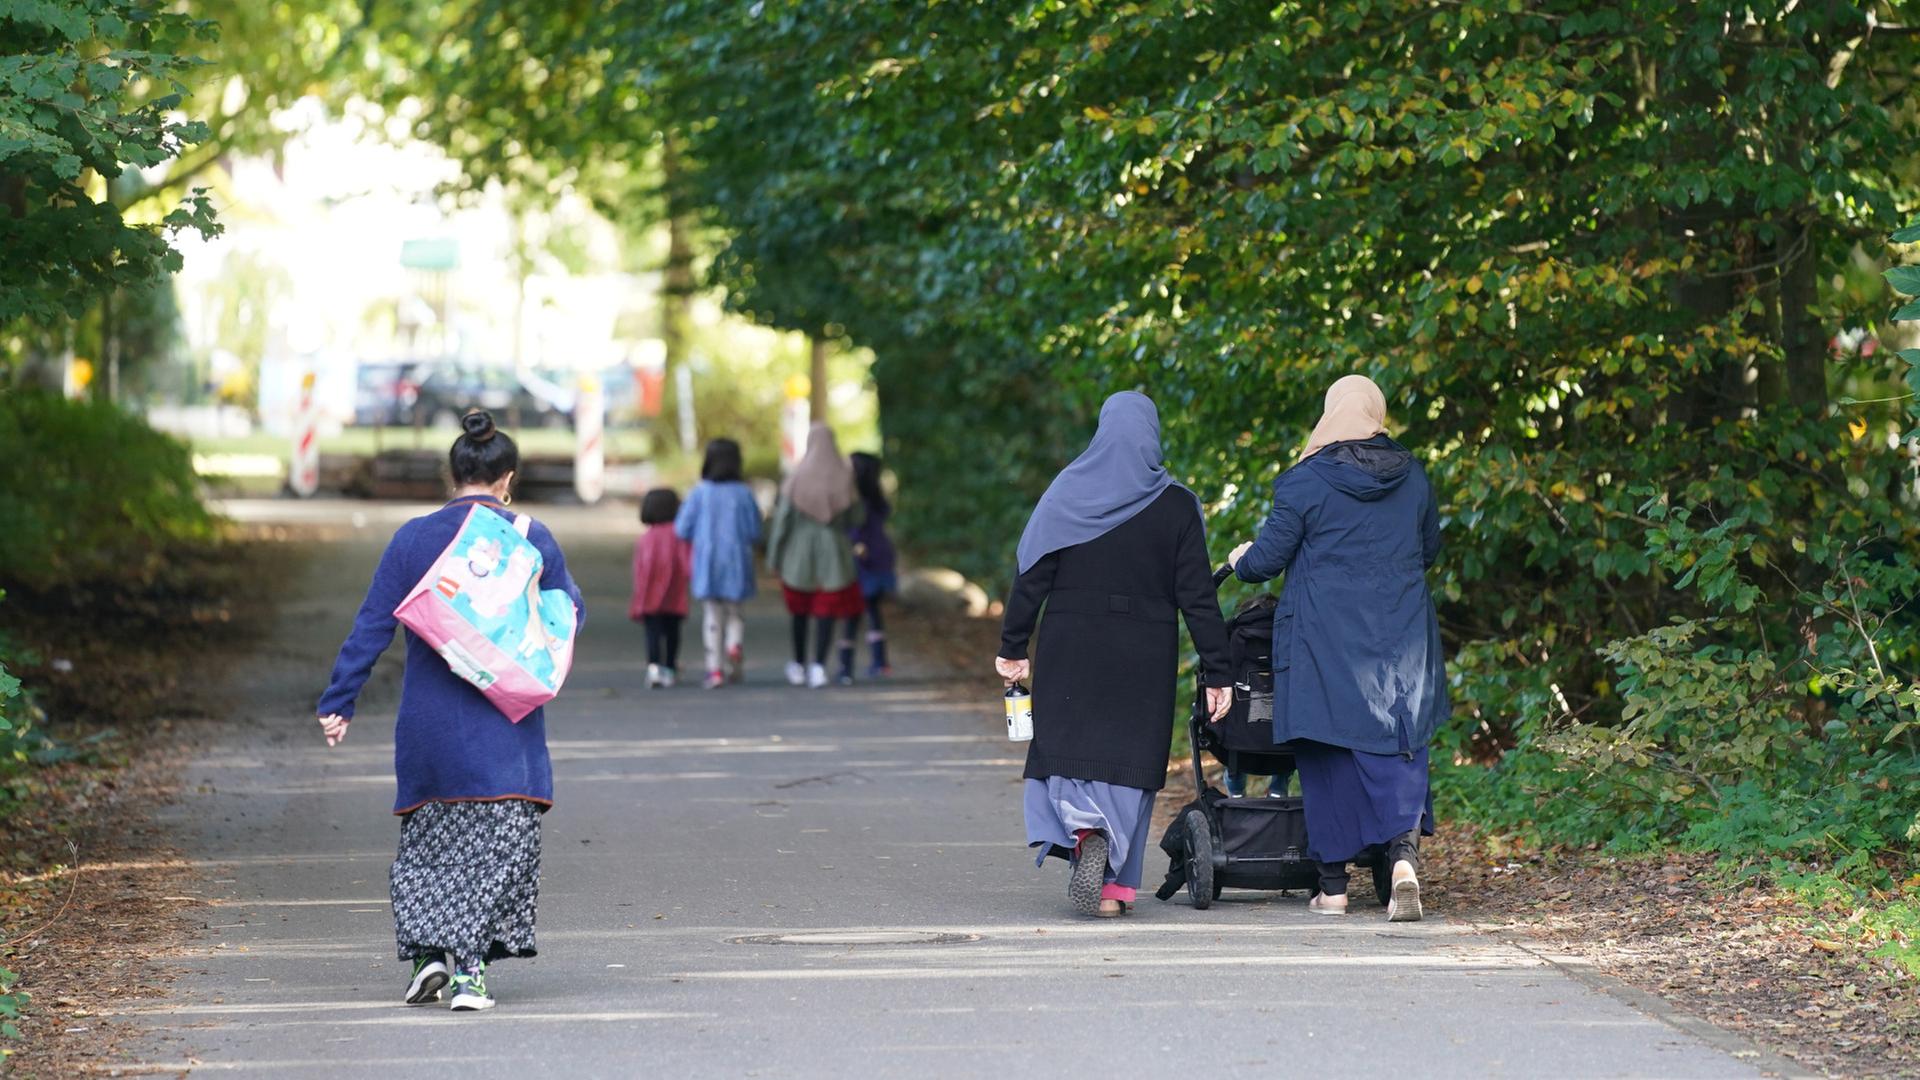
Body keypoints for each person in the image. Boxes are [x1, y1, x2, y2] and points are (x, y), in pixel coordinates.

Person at [316, 410, 583, 1012]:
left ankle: (428, 957)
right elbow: (568, 614)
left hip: (428, 727)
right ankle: (471, 977)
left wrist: (340, 701)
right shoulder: (529, 539)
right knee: (498, 850)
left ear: (452, 473)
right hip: (504, 727)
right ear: (506, 478)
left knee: (430, 847)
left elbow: (371, 625)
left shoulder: (412, 538)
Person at [994, 392, 1233, 918]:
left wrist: (1013, 647)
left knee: (1071, 746)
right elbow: (1198, 598)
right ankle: (1114, 887)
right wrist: (1219, 670)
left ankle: (1082, 825)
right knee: (1129, 761)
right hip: (1143, 652)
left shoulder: (1067, 492)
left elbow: (1031, 574)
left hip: (1070, 644)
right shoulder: (1175, 504)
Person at [1227, 374, 1445, 922]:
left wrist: (1238, 558)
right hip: (1400, 632)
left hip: (1324, 635)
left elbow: (1265, 562)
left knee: (1325, 748)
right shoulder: (1413, 475)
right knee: (1398, 740)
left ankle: (1334, 889)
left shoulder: (1305, 482)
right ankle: (1401, 860)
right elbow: (1429, 551)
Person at [766, 423, 865, 689]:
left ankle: (798, 663)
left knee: (800, 611)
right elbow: (857, 517)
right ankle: (819, 666)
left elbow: (782, 523)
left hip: (798, 556)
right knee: (827, 610)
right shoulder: (845, 477)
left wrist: (774, 558)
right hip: (835, 554)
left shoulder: (796, 478)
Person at [675, 438, 762, 689]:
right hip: (737, 558)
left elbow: (682, 528)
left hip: (708, 559)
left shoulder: (700, 492)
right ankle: (734, 644)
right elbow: (755, 530)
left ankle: (715, 670)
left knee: (712, 614)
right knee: (735, 611)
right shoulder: (744, 492)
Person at [837, 451, 896, 683]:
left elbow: (853, 530)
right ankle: (880, 662)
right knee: (873, 612)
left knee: (851, 615)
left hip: (860, 562)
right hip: (880, 559)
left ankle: (845, 667)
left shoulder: (853, 500)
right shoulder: (877, 498)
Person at [631, 487, 692, 688]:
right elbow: (686, 563)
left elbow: (640, 568)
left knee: (653, 632)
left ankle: (653, 666)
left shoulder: (646, 538)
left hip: (650, 593)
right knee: (672, 632)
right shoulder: (679, 536)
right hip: (674, 593)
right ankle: (670, 667)